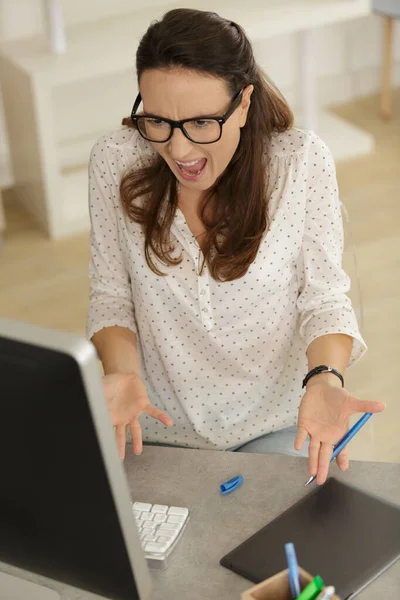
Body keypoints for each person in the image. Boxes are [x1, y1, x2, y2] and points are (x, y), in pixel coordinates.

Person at [87, 8, 385, 485]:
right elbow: (111, 294)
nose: (179, 151)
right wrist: (120, 375)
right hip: (154, 423)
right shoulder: (115, 160)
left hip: (276, 426)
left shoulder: (299, 163)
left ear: (244, 103)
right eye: (158, 120)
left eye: (202, 122)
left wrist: (326, 376)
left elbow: (324, 299)